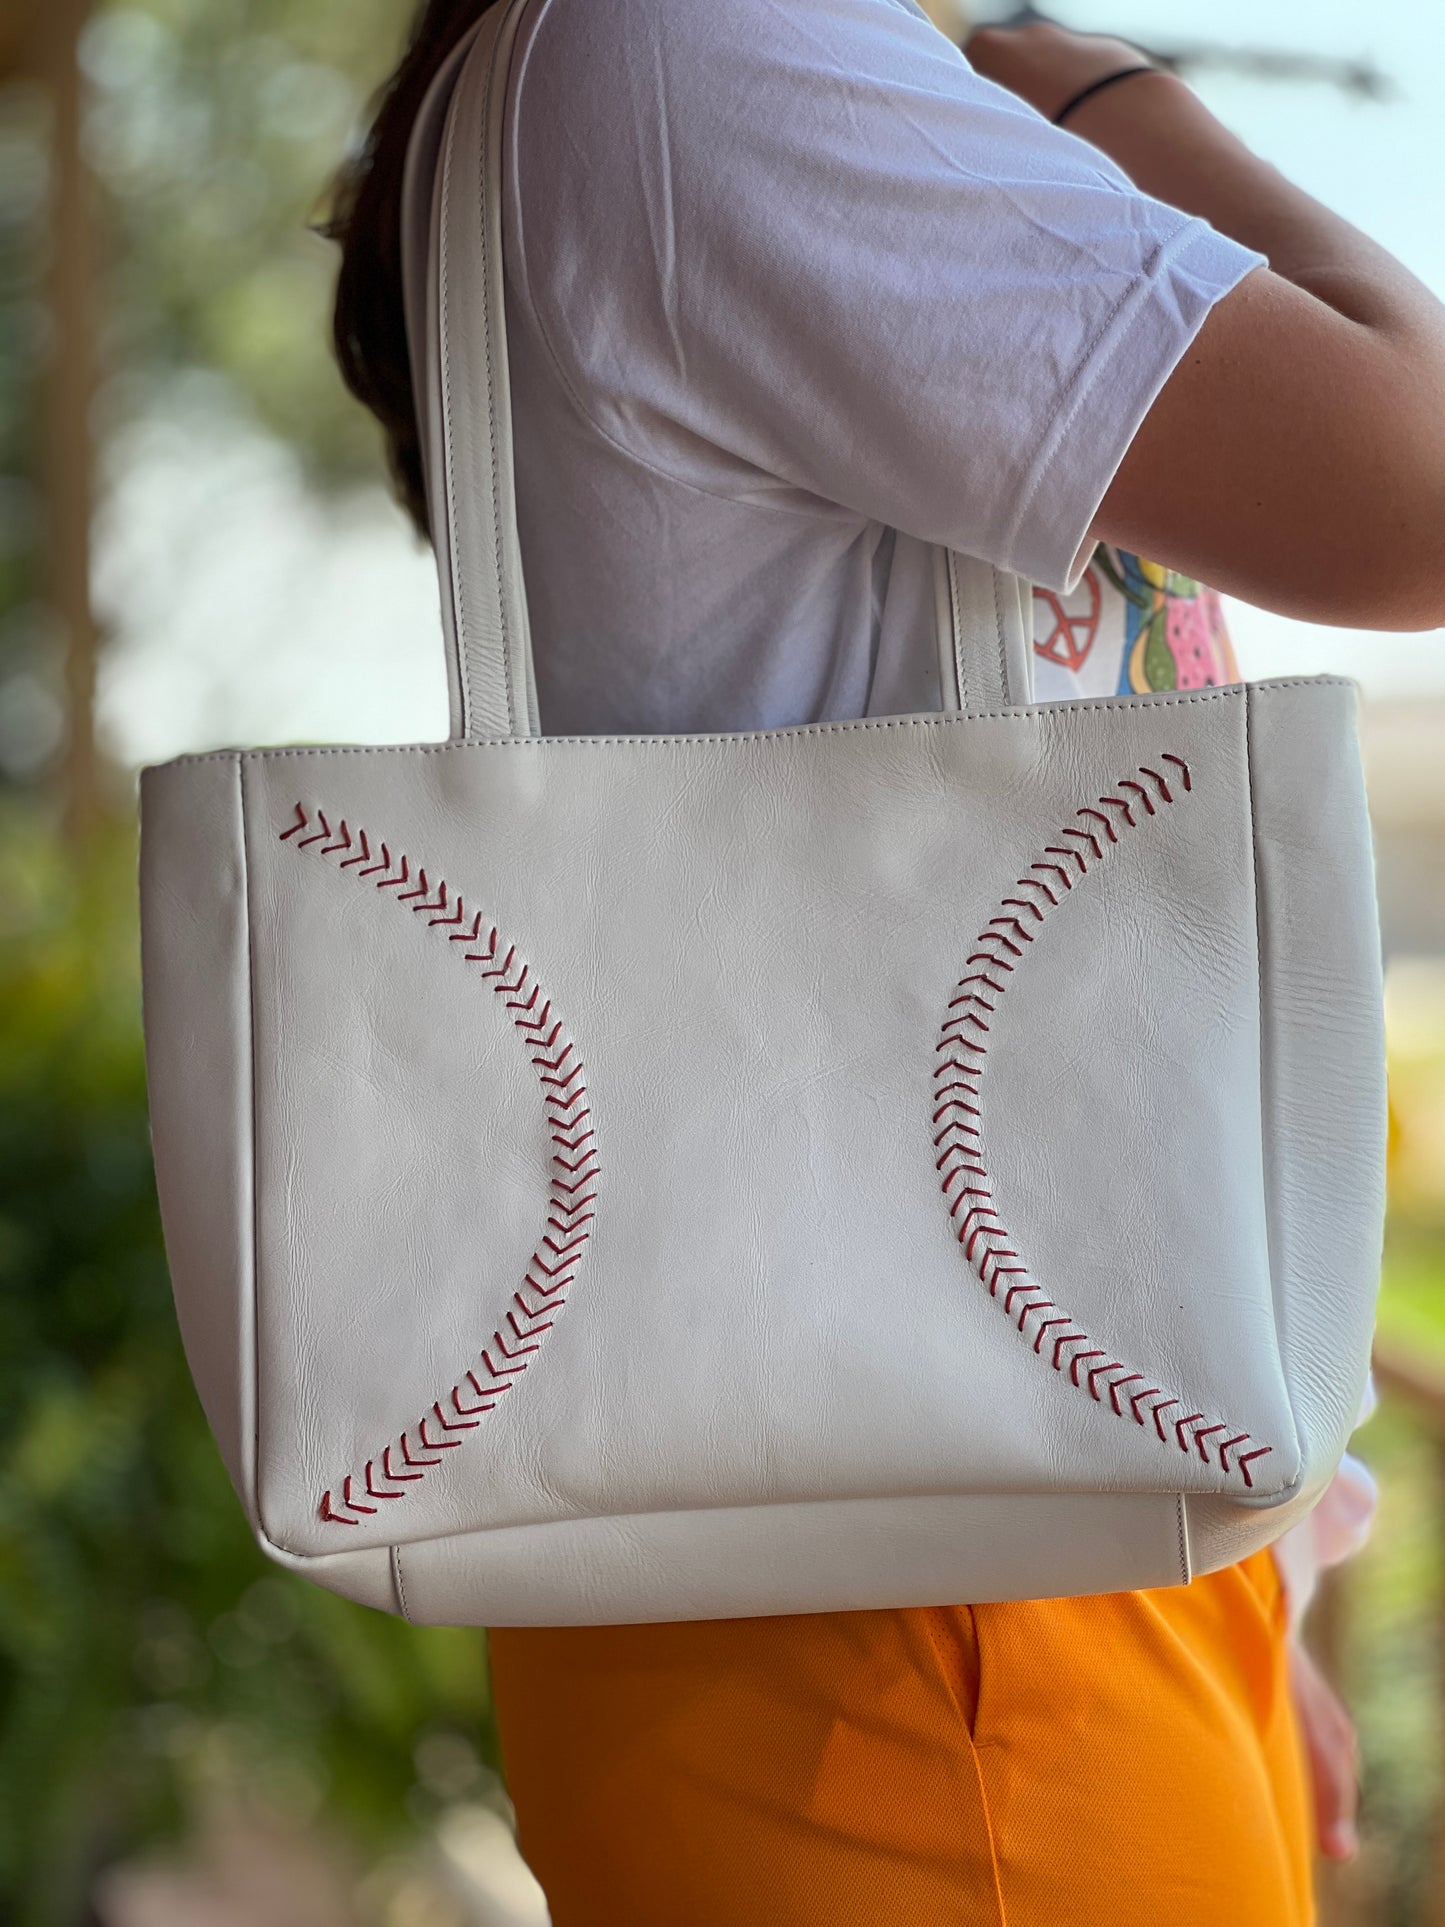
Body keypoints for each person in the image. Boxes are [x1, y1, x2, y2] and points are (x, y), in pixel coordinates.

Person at [326, 0, 1445, 1917]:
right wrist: (1098, 91)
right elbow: (1413, 486)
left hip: (994, 1576)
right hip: (926, 1628)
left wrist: (1260, 1559)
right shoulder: (700, 49)